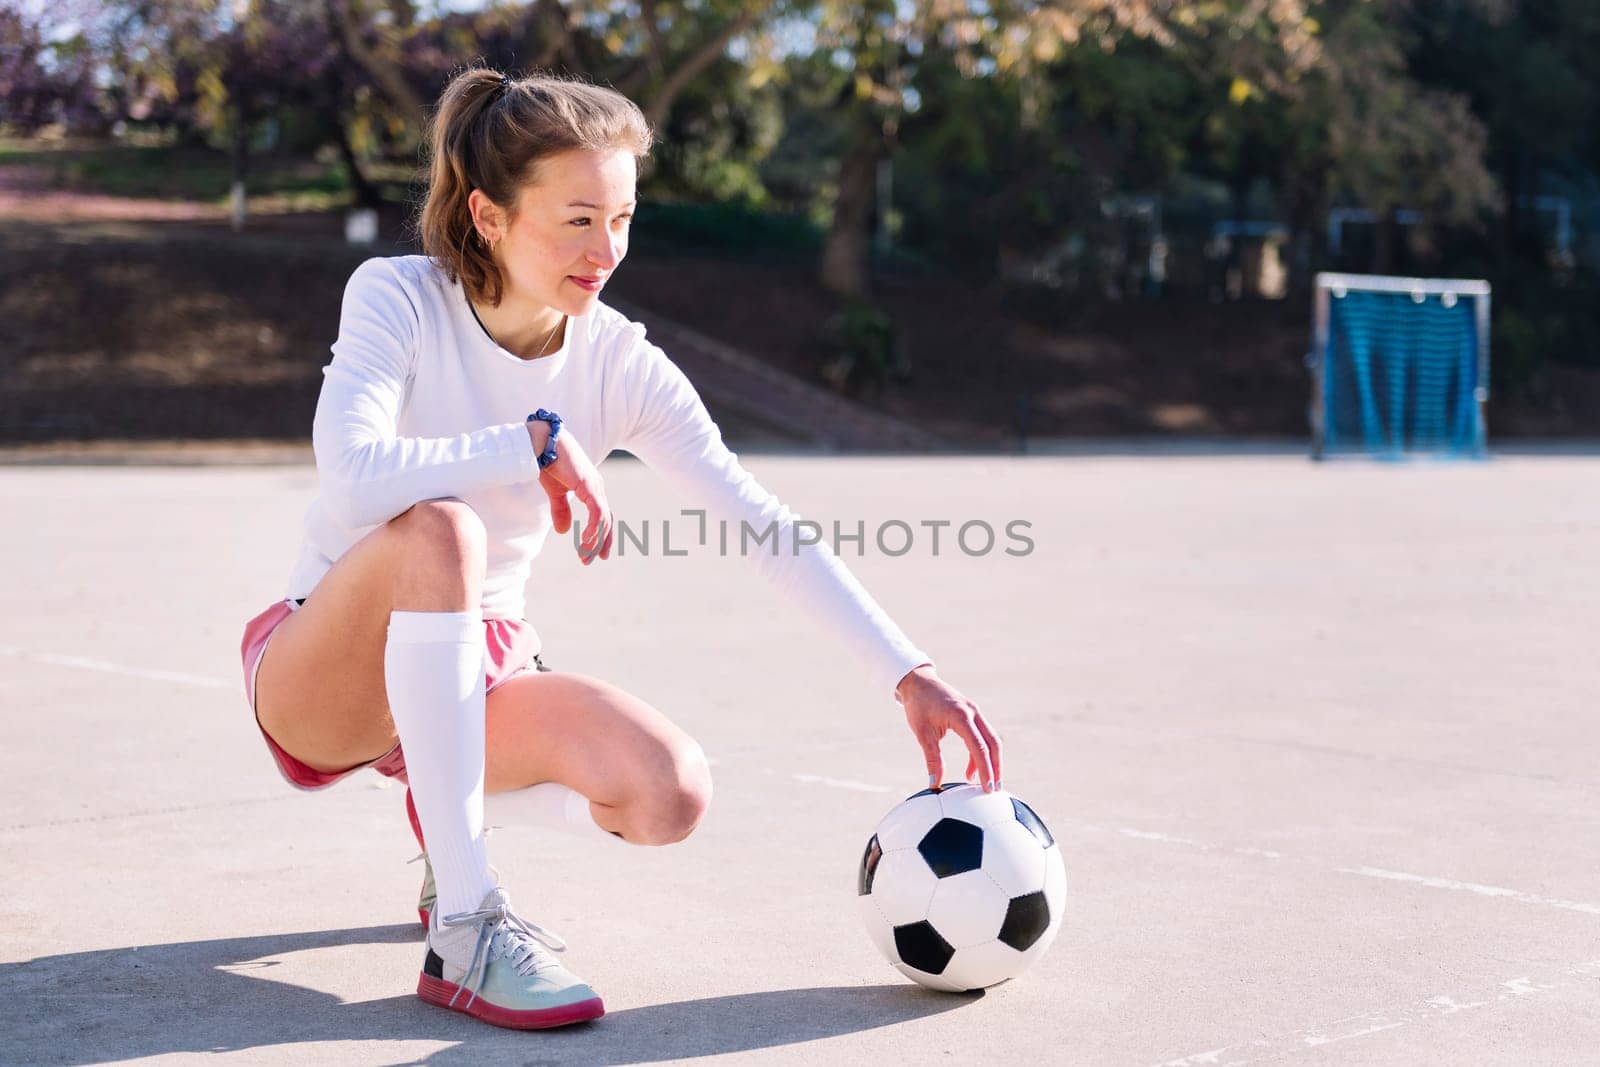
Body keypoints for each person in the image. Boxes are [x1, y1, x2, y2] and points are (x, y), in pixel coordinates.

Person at [237, 66, 1003, 1032]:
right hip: (330, 668)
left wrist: (909, 671)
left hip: (476, 664)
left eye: (624, 218)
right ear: (487, 215)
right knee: (444, 527)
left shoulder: (618, 360)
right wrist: (527, 442)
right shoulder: (398, 297)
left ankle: (446, 828)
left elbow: (756, 518)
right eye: (578, 219)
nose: (607, 250)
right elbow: (352, 473)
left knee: (668, 794)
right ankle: (468, 923)